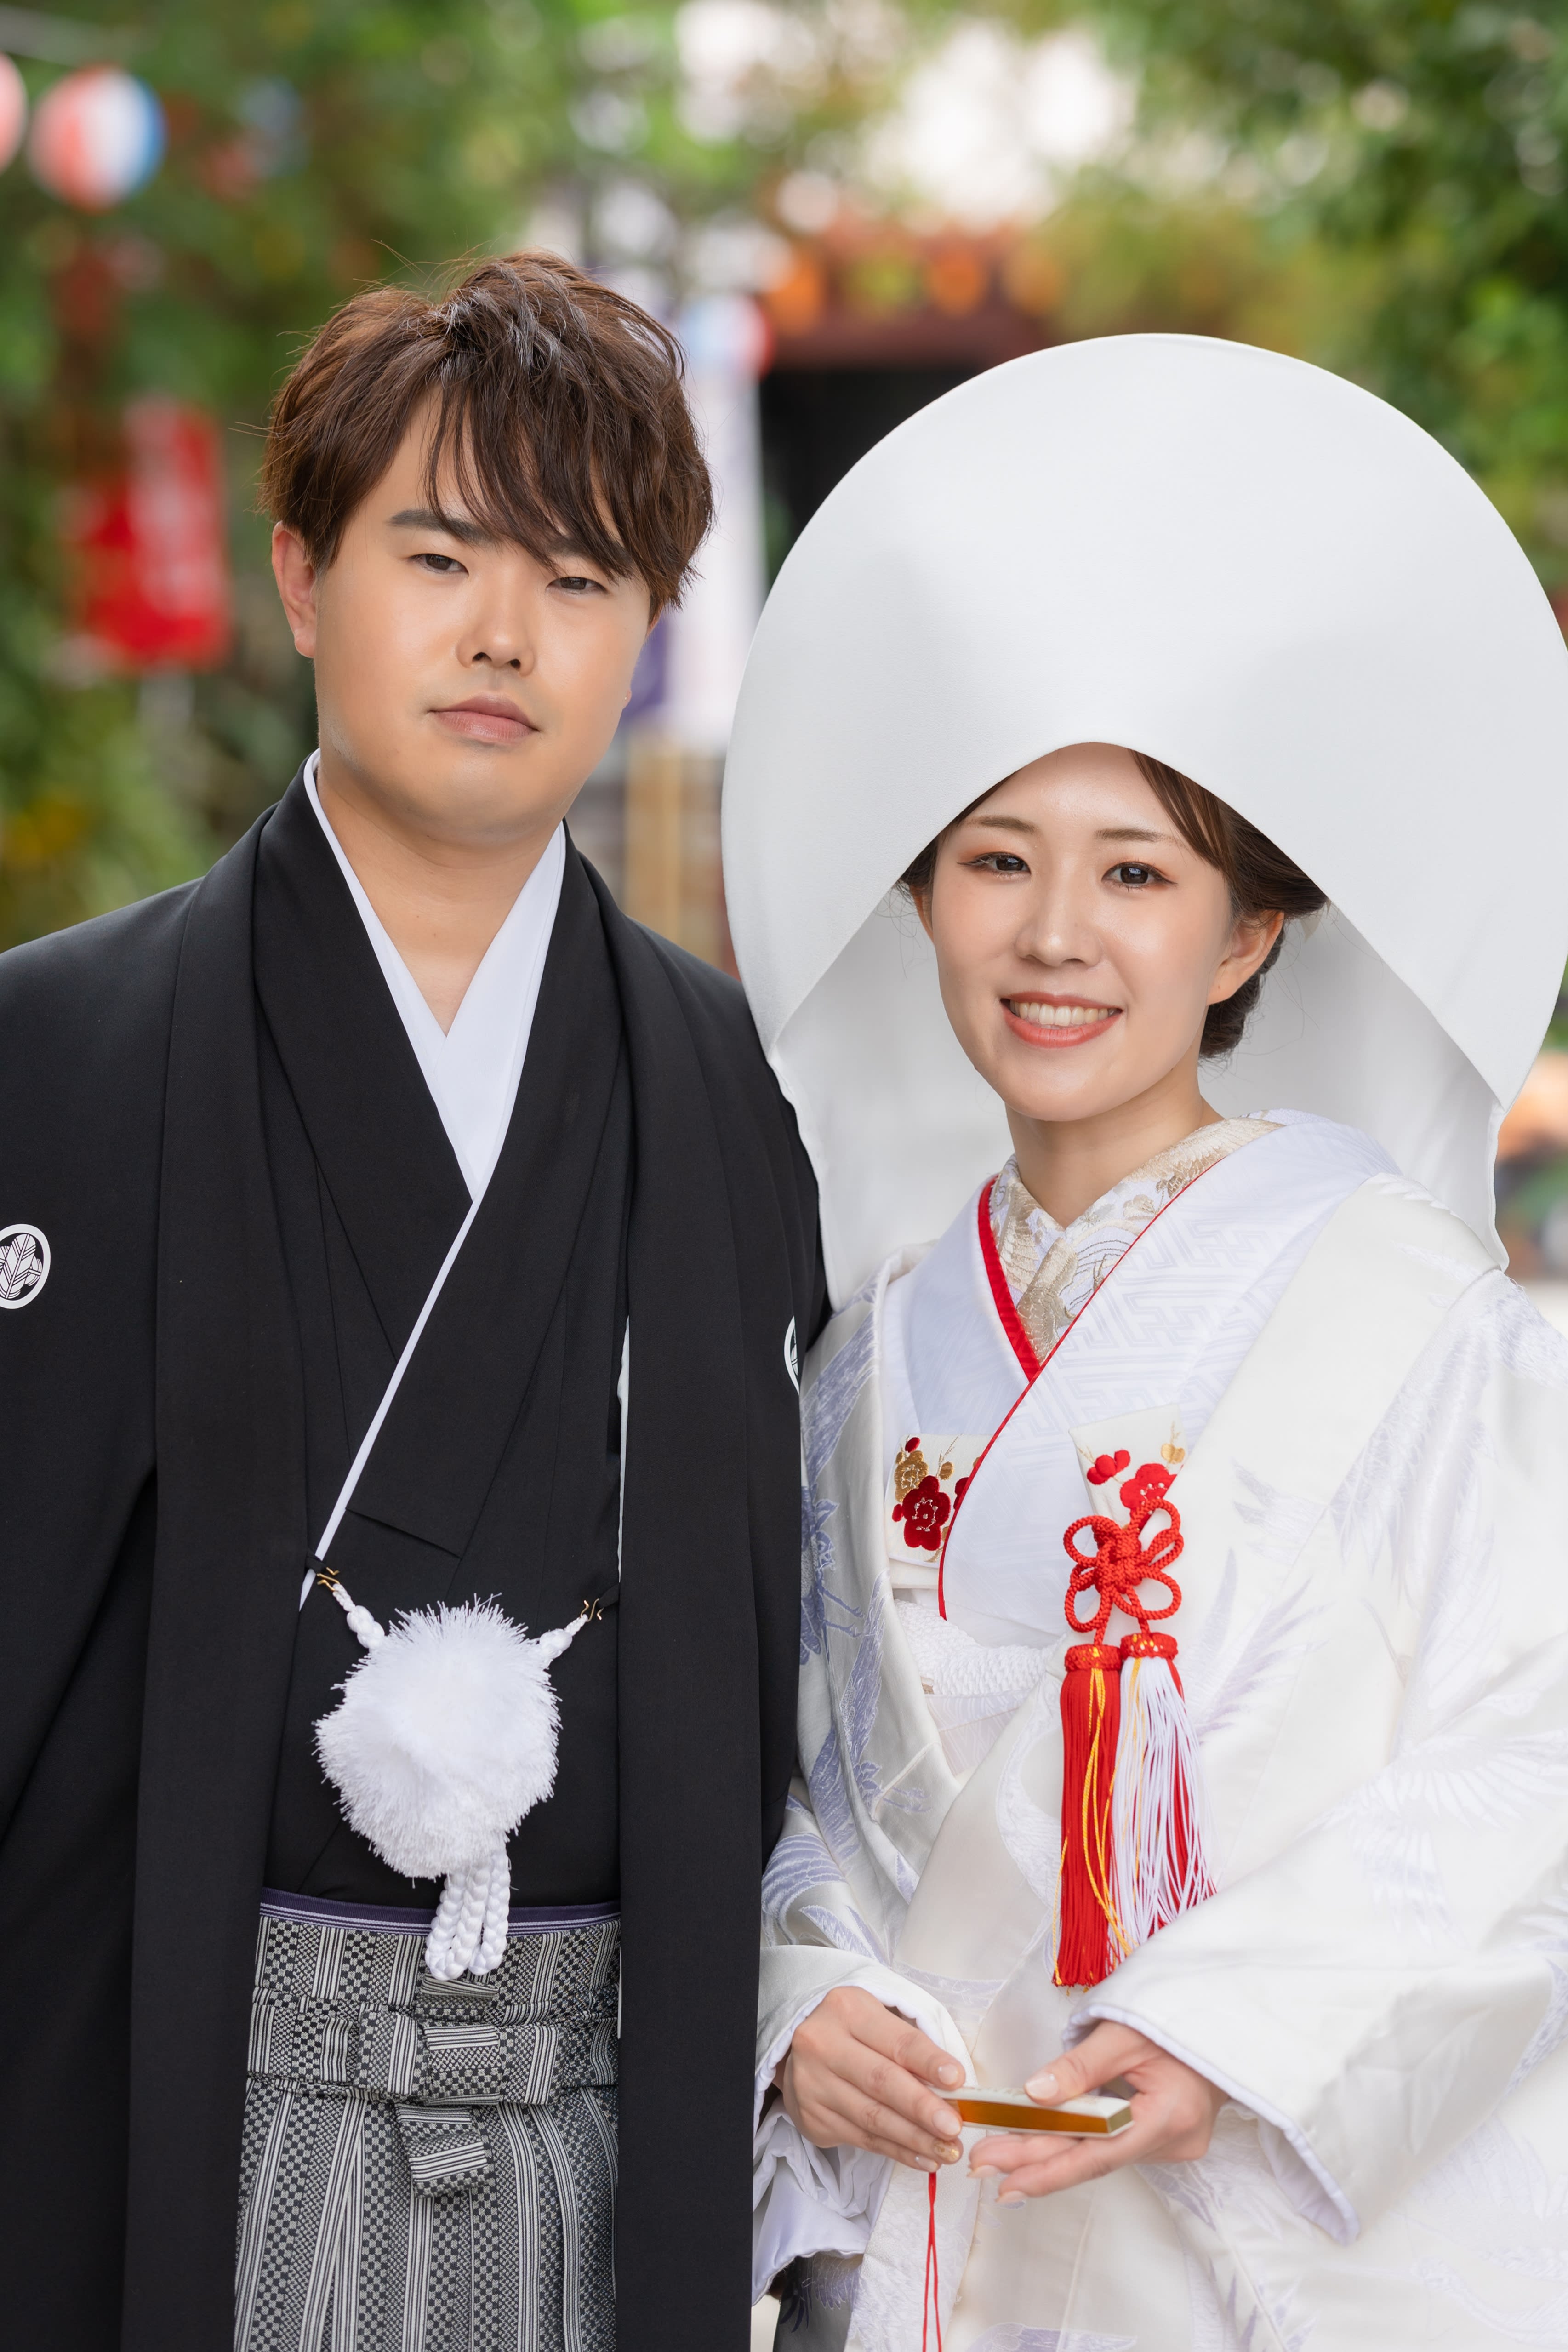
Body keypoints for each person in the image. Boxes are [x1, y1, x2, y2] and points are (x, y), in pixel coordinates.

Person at [0, 253, 823, 2352]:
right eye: (438, 556)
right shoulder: (55, 1059)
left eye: (578, 577)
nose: (501, 635)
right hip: (164, 2107)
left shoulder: (722, 1084)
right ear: (302, 575)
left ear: (647, 626)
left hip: (598, 2129)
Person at [721, 335, 1568, 2348]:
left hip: (1235, 2226)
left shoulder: (1416, 1318)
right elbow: (787, 1779)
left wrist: (1229, 2027)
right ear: (922, 897)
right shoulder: (871, 1344)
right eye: (995, 861)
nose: (1054, 937)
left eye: (1133, 874)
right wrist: (798, 1995)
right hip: (932, 2225)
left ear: (1247, 931)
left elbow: (1533, 1752)